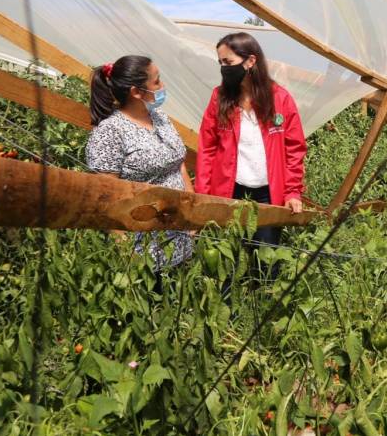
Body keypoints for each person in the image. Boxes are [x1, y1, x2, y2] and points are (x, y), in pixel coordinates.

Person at [195, 32, 307, 251]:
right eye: (220, 62)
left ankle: (262, 286)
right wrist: (202, 194)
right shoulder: (220, 98)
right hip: (229, 189)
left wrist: (292, 192)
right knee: (227, 254)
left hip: (267, 193)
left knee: (265, 256)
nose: (223, 68)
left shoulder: (280, 99)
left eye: (228, 62)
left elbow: (294, 149)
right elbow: (207, 148)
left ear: (250, 61)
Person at [85, 55, 194, 275]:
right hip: (144, 250)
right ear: (136, 92)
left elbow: (178, 163)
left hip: (181, 239)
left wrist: (190, 210)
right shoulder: (111, 132)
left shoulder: (160, 117)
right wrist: (125, 250)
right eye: (156, 82)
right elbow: (106, 197)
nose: (162, 86)